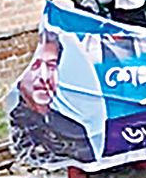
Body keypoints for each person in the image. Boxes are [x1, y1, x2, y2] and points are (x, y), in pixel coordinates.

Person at [9, 29, 93, 165]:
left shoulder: (75, 128)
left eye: (51, 66)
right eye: (34, 66)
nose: (44, 77)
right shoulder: (15, 125)